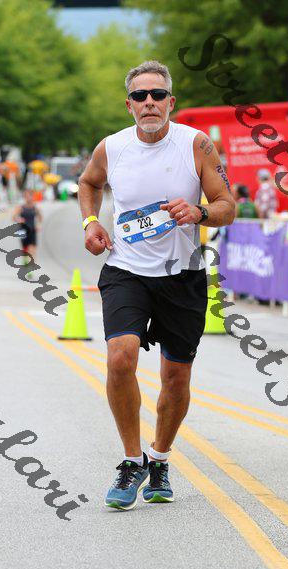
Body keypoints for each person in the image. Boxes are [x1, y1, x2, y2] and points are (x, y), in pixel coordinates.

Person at [78, 60, 235, 510]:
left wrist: (199, 212)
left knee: (176, 376)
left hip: (182, 275)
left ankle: (160, 458)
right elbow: (88, 182)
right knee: (120, 358)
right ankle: (132, 461)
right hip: (126, 270)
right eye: (140, 96)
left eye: (158, 95)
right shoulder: (112, 147)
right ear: (129, 105)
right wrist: (91, 222)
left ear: (171, 102)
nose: (150, 102)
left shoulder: (196, 144)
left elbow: (227, 205)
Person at [13, 190, 42, 274]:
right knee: (25, 250)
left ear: (33, 197)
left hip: (32, 230)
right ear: (25, 197)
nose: (28, 198)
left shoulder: (35, 208)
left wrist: (38, 225)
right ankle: (26, 261)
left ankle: (30, 268)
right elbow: (14, 217)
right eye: (26, 196)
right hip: (23, 230)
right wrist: (19, 219)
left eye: (30, 196)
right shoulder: (20, 207)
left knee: (32, 249)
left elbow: (40, 218)